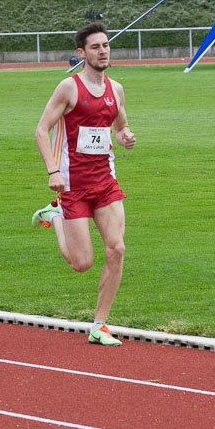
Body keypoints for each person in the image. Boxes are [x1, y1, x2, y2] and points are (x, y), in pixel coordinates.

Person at [33, 21, 136, 346]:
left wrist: (126, 138)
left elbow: (119, 128)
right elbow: (41, 130)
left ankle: (100, 325)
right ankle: (54, 215)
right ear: (82, 53)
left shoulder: (116, 89)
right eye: (95, 46)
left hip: (105, 181)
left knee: (116, 249)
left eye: (105, 45)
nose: (103, 51)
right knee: (82, 263)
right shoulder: (69, 88)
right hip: (72, 184)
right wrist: (53, 171)